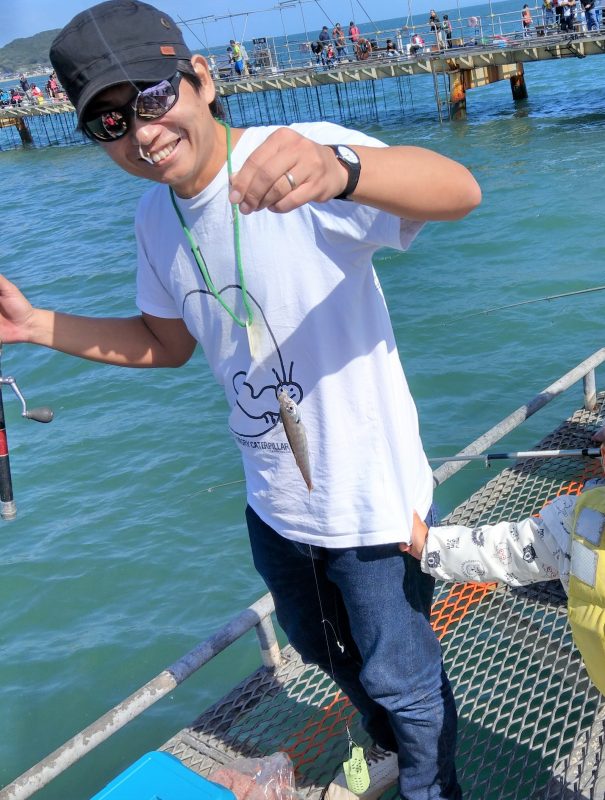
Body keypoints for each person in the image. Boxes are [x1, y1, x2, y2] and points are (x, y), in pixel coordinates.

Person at [3, 2, 480, 799]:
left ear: (201, 78)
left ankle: (432, 785)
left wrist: (343, 168)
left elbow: (458, 190)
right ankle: (388, 746)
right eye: (109, 121)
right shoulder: (155, 217)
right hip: (274, 504)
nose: (141, 132)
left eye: (151, 97)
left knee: (401, 675)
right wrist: (32, 327)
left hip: (370, 504)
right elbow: (163, 343)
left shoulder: (297, 155)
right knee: (323, 650)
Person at [403, 473, 605, 696]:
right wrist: (431, 546)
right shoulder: (580, 523)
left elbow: (505, 551)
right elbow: (505, 550)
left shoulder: (585, 523)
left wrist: (428, 546)